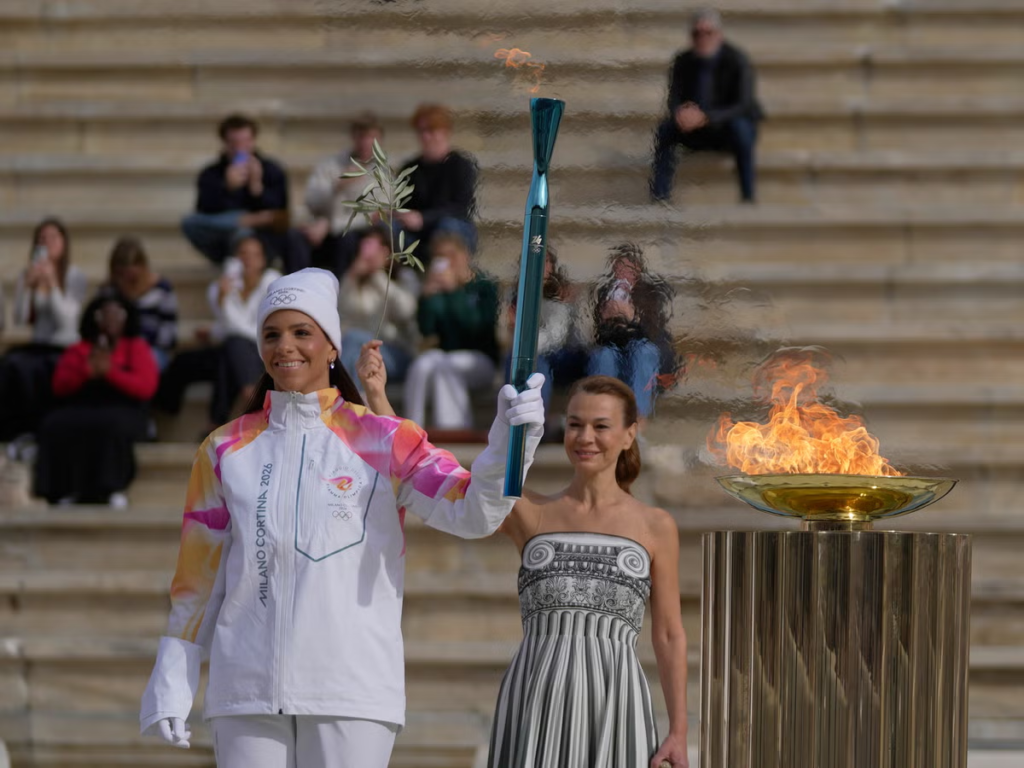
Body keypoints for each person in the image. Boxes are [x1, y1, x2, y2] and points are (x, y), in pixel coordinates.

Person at [139, 267, 546, 768]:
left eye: (301, 331)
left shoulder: (382, 438)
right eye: (272, 333)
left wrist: (510, 443)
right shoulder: (224, 448)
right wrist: (174, 672)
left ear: (331, 346)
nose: (284, 346)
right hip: (244, 689)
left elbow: (471, 511)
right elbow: (196, 579)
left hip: (350, 689)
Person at [356, 366, 690, 768]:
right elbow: (427, 472)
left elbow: (669, 634)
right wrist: (377, 395)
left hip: (616, 700)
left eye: (601, 426)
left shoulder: (655, 525)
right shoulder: (526, 510)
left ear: (629, 434)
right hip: (535, 697)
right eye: (574, 425)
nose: (585, 438)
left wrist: (678, 731)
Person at [33, 295, 159, 507]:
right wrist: (87, 371)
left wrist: (111, 372)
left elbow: (146, 387)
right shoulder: (79, 350)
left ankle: (111, 489)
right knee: (55, 424)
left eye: (117, 314)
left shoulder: (135, 347)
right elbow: (59, 385)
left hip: (123, 406)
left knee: (111, 426)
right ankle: (64, 490)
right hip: (83, 404)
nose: (110, 320)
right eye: (104, 315)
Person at [156, 236, 279, 432]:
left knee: (232, 346)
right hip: (233, 353)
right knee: (185, 361)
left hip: (258, 354)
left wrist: (217, 327)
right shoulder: (219, 288)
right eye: (243, 254)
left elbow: (255, 331)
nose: (247, 260)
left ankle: (221, 417)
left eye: (254, 255)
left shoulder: (272, 283)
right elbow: (233, 327)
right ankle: (163, 415)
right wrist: (223, 301)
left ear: (263, 260)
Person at [650, 8, 764, 204]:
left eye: (708, 32)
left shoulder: (737, 60)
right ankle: (659, 199)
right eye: (697, 33)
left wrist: (707, 117)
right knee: (664, 130)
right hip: (695, 130)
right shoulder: (682, 61)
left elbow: (744, 105)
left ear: (719, 35)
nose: (702, 37)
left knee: (742, 128)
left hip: (725, 128)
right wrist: (681, 113)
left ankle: (748, 198)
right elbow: (673, 98)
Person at [0, 218, 88, 452]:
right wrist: (27, 288)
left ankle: (40, 432)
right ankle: (15, 431)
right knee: (11, 365)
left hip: (64, 345)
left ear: (63, 243)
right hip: (38, 344)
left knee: (40, 371)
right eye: (42, 239)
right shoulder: (28, 274)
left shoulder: (75, 276)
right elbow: (19, 318)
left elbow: (67, 321)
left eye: (53, 238)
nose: (47, 243)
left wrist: (52, 284)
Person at [404, 232, 499, 429]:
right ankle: (411, 428)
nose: (446, 262)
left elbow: (475, 327)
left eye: (451, 255)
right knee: (421, 365)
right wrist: (426, 298)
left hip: (481, 359)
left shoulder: (483, 286)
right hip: (446, 356)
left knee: (445, 366)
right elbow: (427, 330)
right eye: (440, 256)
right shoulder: (440, 290)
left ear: (466, 256)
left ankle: (452, 430)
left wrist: (454, 292)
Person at [181, 114, 290, 264]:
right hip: (222, 239)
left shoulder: (272, 170)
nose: (240, 148)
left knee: (243, 233)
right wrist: (226, 188)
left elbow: (280, 215)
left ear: (253, 141)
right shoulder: (211, 174)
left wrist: (257, 188)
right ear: (225, 143)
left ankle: (239, 259)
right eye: (234, 143)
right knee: (190, 222)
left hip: (264, 239)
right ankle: (245, 222)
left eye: (245, 142)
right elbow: (204, 213)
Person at [286, 112, 384, 276]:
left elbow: (372, 215)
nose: (366, 143)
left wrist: (330, 225)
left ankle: (341, 293)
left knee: (348, 239)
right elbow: (311, 201)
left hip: (352, 232)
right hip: (320, 229)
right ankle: (296, 288)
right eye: (361, 137)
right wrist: (336, 188)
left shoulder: (385, 175)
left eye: (371, 138)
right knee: (294, 237)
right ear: (354, 137)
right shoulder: (331, 165)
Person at [588, 245, 676, 421]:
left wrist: (632, 317)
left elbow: (654, 330)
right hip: (613, 344)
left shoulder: (650, 293)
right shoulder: (605, 292)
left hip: (642, 342)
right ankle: (604, 415)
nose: (623, 272)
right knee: (603, 356)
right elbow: (597, 334)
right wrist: (606, 320)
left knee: (643, 353)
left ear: (638, 270)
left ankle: (638, 417)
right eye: (620, 267)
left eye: (629, 268)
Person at [506, 245, 587, 420]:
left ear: (552, 266)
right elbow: (506, 334)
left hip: (564, 356)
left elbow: (555, 337)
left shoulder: (561, 294)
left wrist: (523, 342)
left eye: (546, 261)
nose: (541, 266)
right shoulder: (516, 295)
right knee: (512, 358)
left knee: (538, 364)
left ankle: (534, 422)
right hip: (534, 352)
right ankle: (512, 418)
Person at [394, 103, 478, 258]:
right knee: (389, 228)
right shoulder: (410, 168)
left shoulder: (461, 165)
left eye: (431, 131)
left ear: (445, 132)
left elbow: (461, 207)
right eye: (421, 131)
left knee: (448, 227)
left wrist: (424, 218)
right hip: (419, 233)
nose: (426, 137)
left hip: (453, 227)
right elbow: (402, 204)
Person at [337, 228, 418, 385]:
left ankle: (343, 402)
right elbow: (342, 311)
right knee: (356, 356)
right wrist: (352, 276)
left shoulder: (405, 278)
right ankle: (358, 405)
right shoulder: (354, 280)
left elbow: (405, 311)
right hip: (359, 352)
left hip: (397, 353)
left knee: (354, 340)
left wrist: (379, 274)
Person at [96, 237, 178, 371]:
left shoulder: (162, 289)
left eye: (132, 276)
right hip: (118, 349)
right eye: (122, 274)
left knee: (143, 364)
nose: (128, 280)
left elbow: (169, 333)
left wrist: (140, 350)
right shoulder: (108, 291)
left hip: (150, 349)